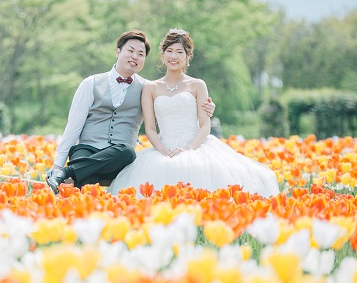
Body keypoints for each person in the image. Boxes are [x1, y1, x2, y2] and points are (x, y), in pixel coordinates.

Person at [107, 29, 280, 197]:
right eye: (169, 51)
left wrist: (187, 149)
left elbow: (205, 125)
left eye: (179, 52)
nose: (174, 56)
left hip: (196, 145)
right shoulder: (150, 88)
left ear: (187, 56)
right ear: (163, 54)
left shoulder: (197, 85)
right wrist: (162, 149)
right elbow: (150, 128)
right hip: (163, 147)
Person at [45, 29, 215, 194]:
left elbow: (172, 107)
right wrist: (58, 165)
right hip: (87, 151)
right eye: (131, 51)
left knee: (126, 152)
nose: (135, 56)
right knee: (84, 171)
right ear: (118, 52)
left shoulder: (147, 88)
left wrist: (206, 107)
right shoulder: (91, 83)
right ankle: (68, 179)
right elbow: (73, 126)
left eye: (140, 54)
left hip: (119, 157)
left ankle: (69, 177)